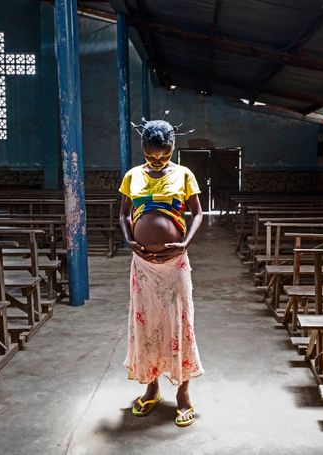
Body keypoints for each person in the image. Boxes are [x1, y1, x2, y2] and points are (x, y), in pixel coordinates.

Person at [118, 117, 204, 428]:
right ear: (142, 148)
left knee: (179, 322)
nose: (157, 160)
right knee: (146, 323)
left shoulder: (184, 175)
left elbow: (197, 213)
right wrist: (129, 240)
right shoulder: (132, 176)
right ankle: (151, 387)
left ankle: (183, 395)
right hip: (143, 265)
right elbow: (125, 214)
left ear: (173, 147)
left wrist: (184, 243)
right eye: (150, 154)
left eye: (164, 154)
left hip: (174, 263)